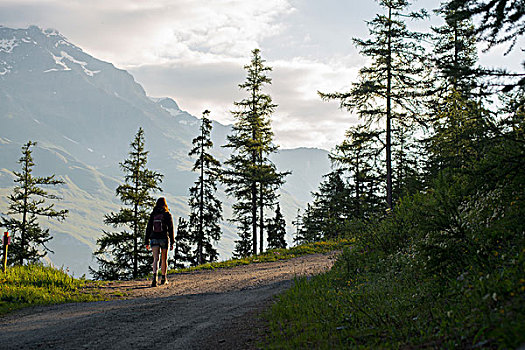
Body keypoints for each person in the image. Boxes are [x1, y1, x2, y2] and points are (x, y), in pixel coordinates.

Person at [145, 197, 174, 287]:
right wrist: (172, 242)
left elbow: (149, 227)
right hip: (164, 238)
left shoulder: (153, 214)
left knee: (155, 259)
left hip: (154, 238)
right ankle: (163, 278)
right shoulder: (167, 214)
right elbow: (171, 229)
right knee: (164, 259)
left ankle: (154, 279)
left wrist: (146, 241)